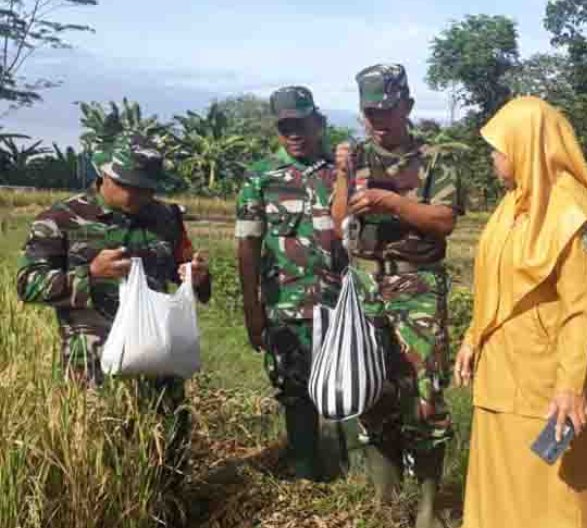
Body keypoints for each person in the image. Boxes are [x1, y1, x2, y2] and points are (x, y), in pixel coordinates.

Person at [444, 96, 587, 528]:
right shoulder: (512, 207)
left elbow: (584, 313)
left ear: (527, 144)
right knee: (503, 492)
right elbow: (493, 283)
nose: (494, 157)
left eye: (499, 147)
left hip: (547, 387)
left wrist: (571, 386)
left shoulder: (578, 218)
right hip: (501, 378)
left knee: (555, 499)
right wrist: (474, 336)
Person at [17, 136, 211, 472]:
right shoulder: (61, 219)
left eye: (148, 188)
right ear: (104, 174)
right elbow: (27, 285)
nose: (141, 196)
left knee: (167, 451)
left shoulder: (166, 217)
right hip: (93, 364)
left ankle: (170, 517)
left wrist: (195, 277)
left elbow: (184, 268)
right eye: (131, 187)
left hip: (156, 359)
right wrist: (89, 274)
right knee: (99, 459)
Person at [331, 63, 461, 528]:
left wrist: (391, 203)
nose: (378, 120)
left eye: (386, 110)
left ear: (406, 106)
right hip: (366, 287)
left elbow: (444, 220)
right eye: (370, 112)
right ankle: (385, 506)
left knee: (424, 399)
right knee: (373, 393)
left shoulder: (435, 158)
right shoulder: (354, 156)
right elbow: (339, 217)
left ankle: (427, 512)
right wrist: (346, 177)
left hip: (417, 287)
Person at [236, 86, 347, 481]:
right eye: (286, 127)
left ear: (317, 123)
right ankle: (306, 472)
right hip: (286, 304)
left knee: (346, 384)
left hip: (340, 305)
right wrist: (252, 308)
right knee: (296, 391)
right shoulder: (261, 177)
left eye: (301, 124)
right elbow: (247, 244)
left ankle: (350, 469)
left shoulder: (340, 174)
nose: (294, 134)